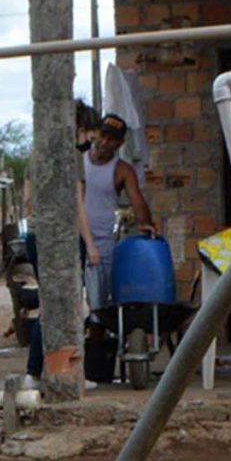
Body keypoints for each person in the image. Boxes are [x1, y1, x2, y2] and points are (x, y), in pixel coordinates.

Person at [81, 112, 156, 312]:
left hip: (102, 243)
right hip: (75, 240)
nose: (105, 142)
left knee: (99, 306)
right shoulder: (78, 162)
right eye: (103, 136)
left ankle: (97, 341)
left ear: (120, 144)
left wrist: (145, 224)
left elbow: (137, 201)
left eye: (111, 139)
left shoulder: (123, 170)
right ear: (96, 134)